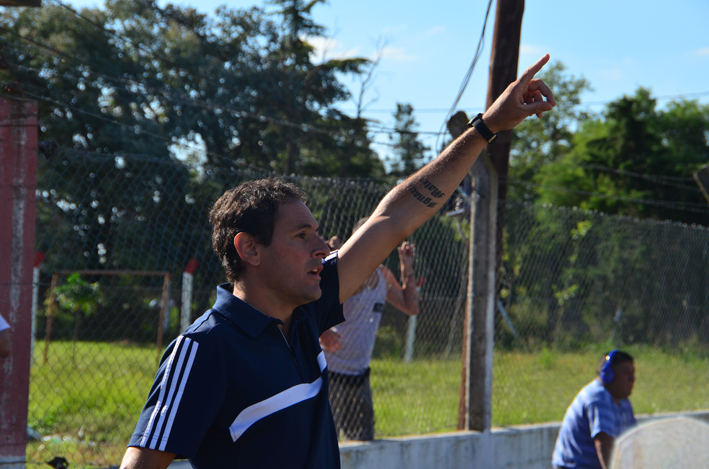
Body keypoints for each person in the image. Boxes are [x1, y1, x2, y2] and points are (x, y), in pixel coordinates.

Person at [120, 54, 555, 469]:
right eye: (301, 235)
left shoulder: (306, 312)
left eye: (316, 232)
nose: (322, 248)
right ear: (249, 249)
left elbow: (392, 218)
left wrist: (487, 127)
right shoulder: (203, 350)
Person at [320, 219, 419, 441]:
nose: (379, 248)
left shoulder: (383, 275)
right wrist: (337, 257)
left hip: (359, 376)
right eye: (371, 242)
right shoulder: (346, 271)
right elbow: (314, 303)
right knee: (325, 446)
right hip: (330, 375)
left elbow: (411, 307)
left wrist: (406, 266)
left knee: (363, 443)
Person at [552, 350, 637, 469]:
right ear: (608, 374)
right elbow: (604, 445)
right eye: (626, 373)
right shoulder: (598, 398)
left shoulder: (623, 402)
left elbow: (634, 441)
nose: (633, 378)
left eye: (633, 373)